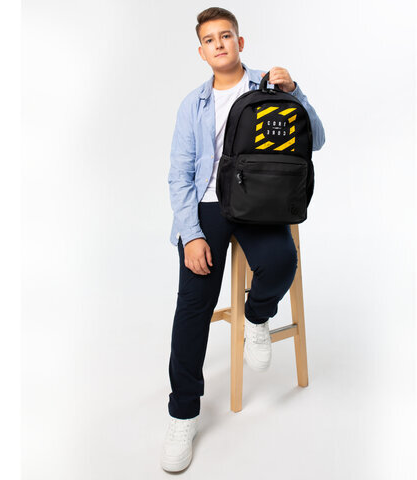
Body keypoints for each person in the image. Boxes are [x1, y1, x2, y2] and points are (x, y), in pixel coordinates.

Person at [160, 7, 326, 473]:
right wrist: (191, 235)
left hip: (258, 202)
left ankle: (256, 315)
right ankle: (183, 414)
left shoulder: (270, 87)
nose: (219, 44)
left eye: (226, 35)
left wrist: (297, 93)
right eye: (210, 39)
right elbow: (179, 175)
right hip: (209, 206)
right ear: (201, 51)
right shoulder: (192, 105)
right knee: (193, 304)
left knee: (281, 260)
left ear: (240, 42)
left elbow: (316, 141)